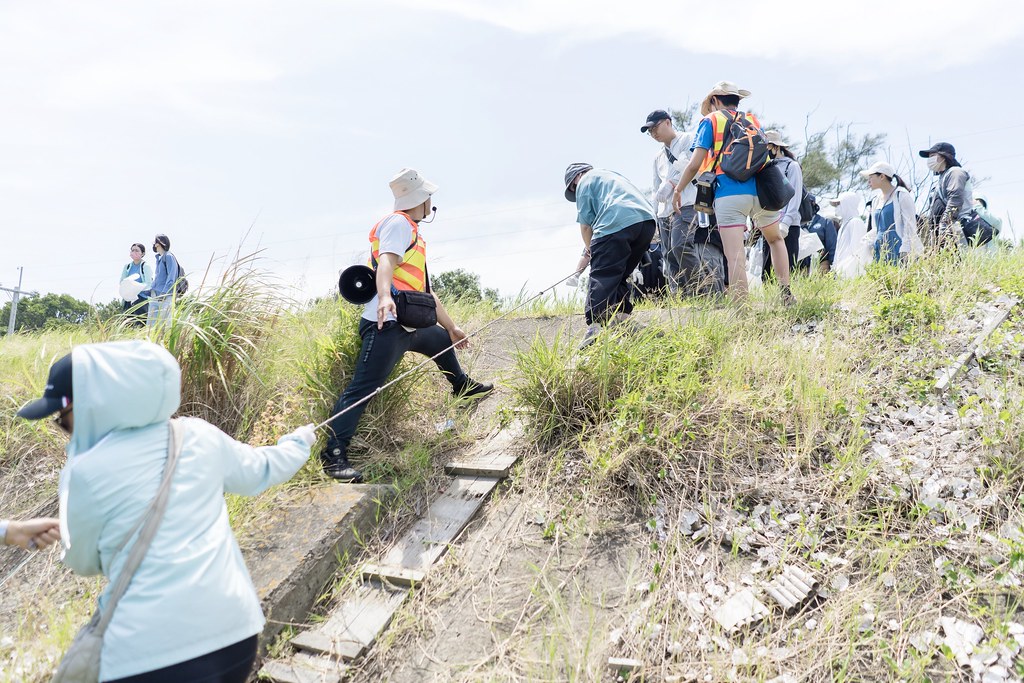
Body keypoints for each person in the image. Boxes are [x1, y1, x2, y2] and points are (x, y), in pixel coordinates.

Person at [16, 340, 316, 683]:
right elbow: (262, 470)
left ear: (96, 404)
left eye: (64, 422)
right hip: (235, 635)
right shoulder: (199, 436)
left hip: (149, 656)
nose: (65, 433)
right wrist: (297, 442)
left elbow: (82, 563)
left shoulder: (83, 471)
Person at [322, 169, 493, 483]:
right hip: (385, 324)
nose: (432, 202)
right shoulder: (399, 223)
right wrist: (385, 296)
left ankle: (463, 388)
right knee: (363, 389)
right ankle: (333, 456)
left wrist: (452, 327)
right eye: (430, 197)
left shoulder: (411, 229)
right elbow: (385, 261)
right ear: (422, 200)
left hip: (410, 322)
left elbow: (425, 291)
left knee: (440, 340)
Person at [673, 81, 793, 303]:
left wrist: (678, 189)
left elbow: (694, 163)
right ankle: (785, 294)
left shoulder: (710, 121)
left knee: (735, 256)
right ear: (737, 101)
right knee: (776, 240)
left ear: (715, 100)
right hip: (761, 191)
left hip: (729, 194)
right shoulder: (753, 121)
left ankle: (741, 307)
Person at [564, 163, 657, 347]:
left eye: (573, 188)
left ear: (577, 177)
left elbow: (585, 226)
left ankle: (594, 328)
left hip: (614, 223)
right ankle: (623, 318)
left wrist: (591, 249)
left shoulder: (585, 181)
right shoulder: (612, 175)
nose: (576, 191)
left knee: (602, 273)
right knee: (620, 274)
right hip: (646, 222)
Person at [643, 110, 727, 296]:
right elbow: (656, 186)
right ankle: (681, 295)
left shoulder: (689, 139)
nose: (653, 133)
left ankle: (703, 290)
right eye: (650, 131)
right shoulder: (657, 157)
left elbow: (692, 166)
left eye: (655, 127)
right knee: (669, 255)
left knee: (680, 245)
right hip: (664, 211)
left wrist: (672, 184)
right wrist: (654, 214)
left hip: (687, 201)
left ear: (667, 122)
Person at [761, 131, 804, 279]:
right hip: (769, 224)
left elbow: (795, 197)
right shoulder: (765, 167)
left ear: (775, 147)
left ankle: (787, 299)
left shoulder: (792, 166)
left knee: (788, 271)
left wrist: (786, 222)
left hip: (788, 227)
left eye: (766, 146)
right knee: (767, 273)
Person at [861, 161, 922, 264]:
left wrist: (905, 250)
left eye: (871, 177)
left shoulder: (901, 195)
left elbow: (910, 225)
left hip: (897, 245)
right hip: (880, 247)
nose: (868, 181)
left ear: (882, 176)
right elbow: (876, 228)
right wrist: (868, 242)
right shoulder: (876, 200)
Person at [919, 142, 974, 246]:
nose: (929, 160)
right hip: (941, 234)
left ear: (944, 156)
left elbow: (955, 201)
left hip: (954, 231)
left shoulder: (956, 172)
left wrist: (945, 225)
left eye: (932, 156)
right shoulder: (942, 177)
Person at [139, 234, 180, 328]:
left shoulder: (169, 256)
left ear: (160, 243)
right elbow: (158, 278)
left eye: (156, 242)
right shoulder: (159, 258)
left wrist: (164, 293)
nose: (154, 245)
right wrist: (150, 291)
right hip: (155, 295)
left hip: (165, 296)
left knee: (165, 324)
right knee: (151, 325)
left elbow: (171, 277)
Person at [831, 191, 872, 278]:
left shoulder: (856, 222)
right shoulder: (844, 225)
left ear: (847, 204)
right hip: (841, 274)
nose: (836, 207)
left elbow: (858, 252)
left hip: (851, 275)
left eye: (838, 204)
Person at [119, 243, 151, 325]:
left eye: (137, 250)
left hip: (141, 299)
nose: (134, 252)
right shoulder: (127, 266)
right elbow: (122, 281)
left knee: (140, 323)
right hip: (128, 299)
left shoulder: (145, 266)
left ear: (142, 253)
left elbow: (148, 284)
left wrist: (136, 287)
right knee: (127, 324)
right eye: (132, 250)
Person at [802, 208, 839, 273]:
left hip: (821, 265)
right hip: (802, 268)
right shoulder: (797, 223)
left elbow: (832, 247)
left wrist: (832, 267)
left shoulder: (825, 222)